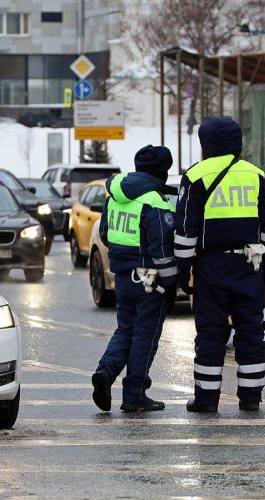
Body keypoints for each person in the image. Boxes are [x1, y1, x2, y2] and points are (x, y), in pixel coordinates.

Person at [174, 117, 265, 413]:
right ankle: (251, 399)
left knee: (210, 333)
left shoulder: (196, 176)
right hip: (250, 266)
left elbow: (186, 229)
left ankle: (206, 400)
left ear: (205, 144)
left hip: (211, 269)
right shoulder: (256, 175)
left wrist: (183, 270)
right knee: (251, 334)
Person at [91, 145, 178, 412]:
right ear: (162, 172)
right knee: (145, 337)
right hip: (149, 279)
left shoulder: (115, 196)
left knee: (125, 330)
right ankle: (135, 395)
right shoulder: (154, 201)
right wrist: (171, 282)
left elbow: (105, 234)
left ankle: (105, 372)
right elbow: (162, 249)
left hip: (122, 277)